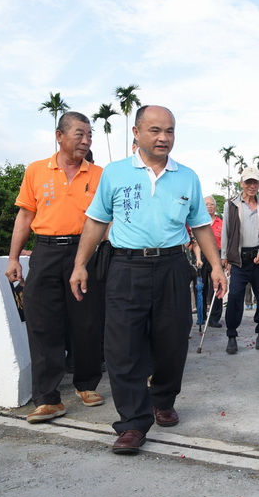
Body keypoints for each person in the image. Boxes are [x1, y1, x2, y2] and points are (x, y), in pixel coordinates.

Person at [69, 105, 225, 454]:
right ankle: (132, 423)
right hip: (125, 266)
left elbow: (200, 225)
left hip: (172, 265)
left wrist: (216, 266)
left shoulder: (187, 177)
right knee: (122, 347)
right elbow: (96, 221)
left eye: (169, 131)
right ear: (137, 133)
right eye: (155, 130)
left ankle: (163, 399)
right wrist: (80, 264)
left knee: (172, 341)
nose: (163, 137)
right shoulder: (115, 173)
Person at [6, 111, 105, 423]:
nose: (86, 140)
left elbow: (107, 219)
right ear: (59, 136)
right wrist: (13, 258)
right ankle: (48, 399)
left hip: (85, 251)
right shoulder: (36, 170)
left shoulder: (99, 174)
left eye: (89, 135)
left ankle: (86, 384)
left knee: (87, 321)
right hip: (46, 251)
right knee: (41, 323)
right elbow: (25, 215)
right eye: (79, 134)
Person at [221, 167, 259, 354]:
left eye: (255, 182)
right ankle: (231, 335)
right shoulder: (231, 205)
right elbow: (226, 232)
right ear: (242, 183)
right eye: (248, 182)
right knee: (235, 296)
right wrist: (224, 256)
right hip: (239, 259)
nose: (252, 186)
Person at [202, 196, 224, 327]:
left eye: (211, 204)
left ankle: (214, 317)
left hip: (218, 254)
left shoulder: (221, 223)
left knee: (217, 287)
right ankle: (202, 315)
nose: (209, 207)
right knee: (201, 286)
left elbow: (226, 241)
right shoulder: (199, 222)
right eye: (206, 204)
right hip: (202, 255)